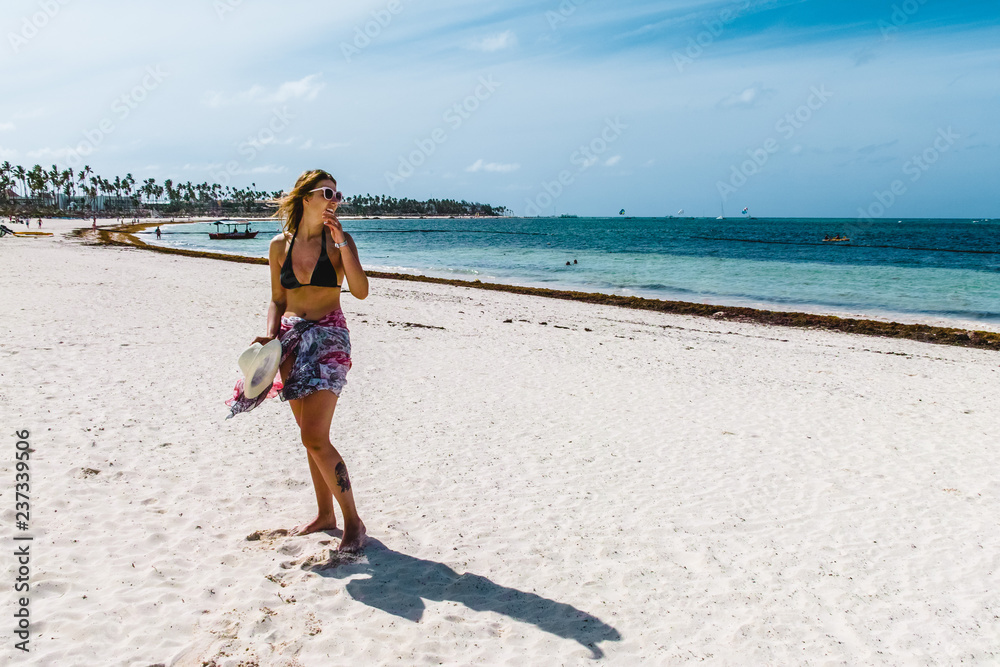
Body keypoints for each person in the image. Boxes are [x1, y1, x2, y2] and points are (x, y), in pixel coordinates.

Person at [227, 169, 369, 552]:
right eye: (328, 193)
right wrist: (271, 334)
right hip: (291, 340)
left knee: (314, 436)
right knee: (310, 439)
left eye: (338, 195)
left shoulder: (340, 241)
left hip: (330, 337)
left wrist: (342, 245)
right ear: (306, 197)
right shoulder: (279, 245)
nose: (335, 201)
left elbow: (360, 291)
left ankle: (354, 523)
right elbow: (277, 298)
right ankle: (326, 515)